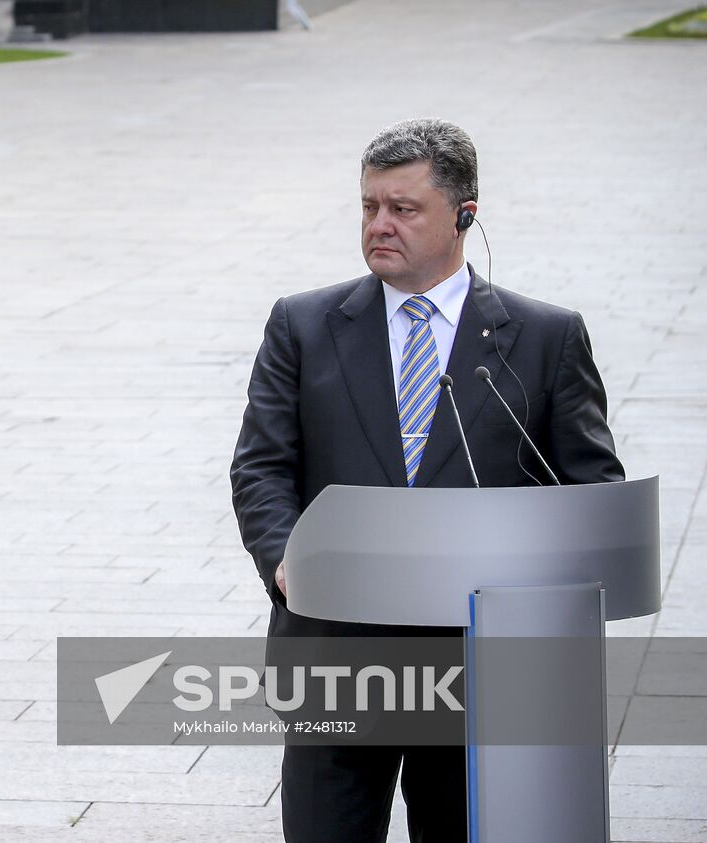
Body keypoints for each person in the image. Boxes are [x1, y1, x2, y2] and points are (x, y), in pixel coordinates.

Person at [229, 119, 622, 842]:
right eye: (369, 206)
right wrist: (287, 560)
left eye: (403, 208)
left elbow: (590, 493)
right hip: (336, 658)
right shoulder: (302, 325)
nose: (379, 224)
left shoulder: (545, 338)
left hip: (481, 670)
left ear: (463, 215)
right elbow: (261, 466)